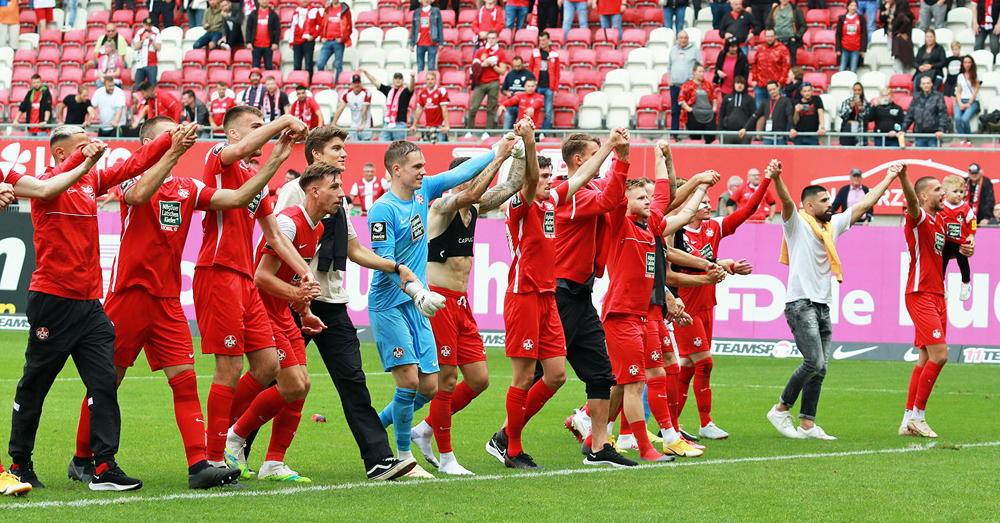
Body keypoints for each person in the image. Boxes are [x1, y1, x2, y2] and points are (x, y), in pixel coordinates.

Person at [71, 117, 292, 489]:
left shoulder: (188, 187)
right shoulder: (132, 177)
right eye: (168, 134)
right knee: (109, 380)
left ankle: (200, 466)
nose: (179, 137)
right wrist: (171, 151)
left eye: (179, 132)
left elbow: (238, 198)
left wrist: (275, 160)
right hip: (129, 295)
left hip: (168, 300)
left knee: (185, 382)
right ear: (148, 144)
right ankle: (81, 459)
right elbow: (139, 196)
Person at [7, 124, 182, 491]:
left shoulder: (89, 182)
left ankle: (104, 466)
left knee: (104, 383)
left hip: (90, 305)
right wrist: (83, 159)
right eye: (83, 145)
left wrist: (171, 138)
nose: (94, 149)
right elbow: (52, 185)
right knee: (36, 385)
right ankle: (20, 464)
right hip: (53, 301)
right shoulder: (45, 184)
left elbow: (133, 164)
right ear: (61, 153)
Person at [269, 127, 418, 481]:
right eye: (337, 148)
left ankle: (379, 460)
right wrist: (299, 292)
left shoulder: (340, 200)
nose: (345, 154)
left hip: (332, 302)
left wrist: (394, 266)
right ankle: (233, 443)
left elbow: (353, 249)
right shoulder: (294, 192)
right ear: (316, 156)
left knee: (353, 380)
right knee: (272, 380)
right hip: (297, 302)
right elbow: (277, 242)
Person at [488, 126, 635, 470]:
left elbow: (582, 174)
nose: (549, 182)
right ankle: (509, 444)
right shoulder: (523, 205)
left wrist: (613, 147)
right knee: (527, 377)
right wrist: (527, 140)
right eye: (543, 177)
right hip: (529, 293)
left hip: (556, 296)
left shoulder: (553, 201)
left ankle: (599, 448)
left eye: (551, 176)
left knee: (560, 375)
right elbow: (539, 180)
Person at [366, 142, 498, 478]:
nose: (424, 171)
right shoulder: (383, 210)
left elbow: (462, 173)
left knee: (429, 387)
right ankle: (403, 458)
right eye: (417, 166)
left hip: (421, 302)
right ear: (396, 169)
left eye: (424, 165)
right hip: (394, 302)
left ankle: (375, 427)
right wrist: (415, 289)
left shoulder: (423, 190)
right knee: (412, 381)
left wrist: (500, 148)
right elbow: (385, 263)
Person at [195, 108, 311, 480]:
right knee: (228, 367)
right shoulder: (217, 158)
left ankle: (225, 436)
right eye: (255, 127)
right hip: (218, 273)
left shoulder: (255, 180)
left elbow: (274, 235)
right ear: (232, 135)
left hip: (244, 281)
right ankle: (213, 457)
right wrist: (284, 121)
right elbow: (239, 150)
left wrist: (306, 272)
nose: (263, 133)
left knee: (267, 367)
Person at [767, 160, 901, 440]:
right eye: (824, 200)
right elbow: (787, 201)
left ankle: (807, 424)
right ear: (809, 206)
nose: (831, 203)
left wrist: (889, 177)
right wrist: (778, 179)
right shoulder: (796, 224)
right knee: (814, 362)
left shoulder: (832, 226)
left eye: (830, 199)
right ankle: (780, 409)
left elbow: (864, 205)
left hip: (822, 305)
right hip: (800, 303)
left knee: (821, 367)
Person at [408, 139, 519, 475]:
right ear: (459, 179)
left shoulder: (474, 207)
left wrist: (521, 151)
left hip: (462, 303)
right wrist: (497, 156)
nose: (476, 182)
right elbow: (472, 194)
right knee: (447, 379)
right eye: (473, 176)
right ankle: (446, 457)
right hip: (439, 301)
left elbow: (512, 186)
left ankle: (425, 428)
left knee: (479, 379)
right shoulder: (441, 207)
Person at [604, 151, 709, 462]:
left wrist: (662, 157)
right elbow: (618, 190)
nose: (648, 201)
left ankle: (611, 433)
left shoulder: (649, 224)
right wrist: (620, 155)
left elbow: (664, 193)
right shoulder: (619, 222)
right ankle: (643, 443)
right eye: (639, 197)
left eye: (646, 197)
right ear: (625, 201)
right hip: (621, 315)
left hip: (639, 315)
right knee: (633, 383)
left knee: (632, 383)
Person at [541, 131, 634, 464]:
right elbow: (611, 202)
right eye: (598, 152)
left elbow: (616, 207)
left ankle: (598, 447)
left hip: (580, 293)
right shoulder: (568, 194)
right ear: (579, 160)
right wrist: (620, 157)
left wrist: (621, 169)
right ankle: (507, 436)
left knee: (601, 375)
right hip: (561, 291)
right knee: (542, 374)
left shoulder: (589, 189)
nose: (604, 157)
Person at [671, 167, 772, 442]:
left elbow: (747, 211)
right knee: (704, 363)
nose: (706, 205)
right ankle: (704, 423)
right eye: (701, 200)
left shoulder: (714, 227)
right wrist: (716, 267)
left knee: (689, 366)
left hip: (707, 304)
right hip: (685, 306)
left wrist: (766, 181)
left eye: (707, 201)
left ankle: (672, 426)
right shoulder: (674, 230)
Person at [896, 166, 975, 438]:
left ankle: (907, 419)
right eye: (938, 190)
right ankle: (918, 416)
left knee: (925, 357)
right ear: (924, 195)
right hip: (920, 293)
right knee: (941, 355)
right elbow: (910, 200)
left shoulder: (940, 221)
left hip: (937, 293)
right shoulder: (917, 218)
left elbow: (951, 250)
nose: (944, 193)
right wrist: (903, 175)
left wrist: (966, 248)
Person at [939, 175, 976, 301]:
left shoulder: (965, 208)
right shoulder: (941, 207)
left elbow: (973, 221)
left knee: (963, 261)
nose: (959, 195)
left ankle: (966, 284)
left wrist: (971, 235)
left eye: (961, 192)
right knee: (942, 261)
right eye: (955, 192)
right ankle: (941, 283)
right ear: (944, 192)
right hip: (947, 241)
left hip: (961, 242)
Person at [468, 30, 508, 136]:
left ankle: (488, 131)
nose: (491, 40)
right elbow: (474, 66)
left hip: (493, 82)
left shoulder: (500, 53)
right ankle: (469, 130)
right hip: (480, 83)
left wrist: (492, 65)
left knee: (491, 108)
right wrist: (482, 64)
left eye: (493, 38)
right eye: (489, 38)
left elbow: (502, 71)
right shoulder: (480, 51)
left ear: (497, 39)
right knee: (473, 107)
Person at [361, 69, 416, 142]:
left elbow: (411, 87)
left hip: (400, 124)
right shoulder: (389, 90)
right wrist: (365, 72)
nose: (398, 80)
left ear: (403, 80)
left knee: (399, 148)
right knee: (382, 144)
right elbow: (375, 82)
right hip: (388, 123)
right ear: (393, 80)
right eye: (396, 78)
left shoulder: (405, 91)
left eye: (400, 78)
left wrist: (412, 77)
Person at [740, 80, 794, 145]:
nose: (772, 92)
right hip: (767, 137)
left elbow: (789, 115)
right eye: (770, 90)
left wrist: (792, 128)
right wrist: (745, 128)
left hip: (780, 137)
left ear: (778, 88)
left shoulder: (785, 101)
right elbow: (755, 116)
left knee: (781, 155)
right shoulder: (765, 102)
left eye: (773, 89)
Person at [903, 75, 949, 148]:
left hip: (934, 135)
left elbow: (943, 115)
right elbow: (910, 114)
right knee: (920, 158)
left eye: (927, 83)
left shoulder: (938, 97)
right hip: (919, 134)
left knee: (934, 157)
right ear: (920, 85)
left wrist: (941, 130)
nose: (926, 85)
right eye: (924, 84)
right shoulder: (916, 98)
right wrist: (903, 129)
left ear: (931, 84)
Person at [529, 32, 560, 131]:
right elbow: (530, 68)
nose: (541, 42)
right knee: (534, 109)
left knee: (548, 112)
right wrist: (530, 84)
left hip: (549, 87)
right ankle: (533, 131)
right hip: (536, 86)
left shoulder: (554, 54)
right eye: (540, 40)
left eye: (543, 40)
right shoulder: (535, 53)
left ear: (548, 40)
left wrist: (556, 88)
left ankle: (543, 133)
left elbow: (557, 73)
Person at [679, 64, 718, 144]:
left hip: (709, 115)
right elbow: (681, 99)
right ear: (694, 72)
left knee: (710, 139)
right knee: (695, 139)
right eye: (699, 71)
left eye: (703, 72)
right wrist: (689, 109)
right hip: (694, 115)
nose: (702, 74)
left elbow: (714, 97)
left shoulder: (708, 85)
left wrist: (714, 108)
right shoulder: (687, 85)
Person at [751, 30, 791, 107]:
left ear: (775, 36)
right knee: (759, 109)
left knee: (775, 109)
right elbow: (754, 64)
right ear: (765, 37)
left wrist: (780, 82)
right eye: (768, 36)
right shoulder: (760, 48)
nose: (770, 38)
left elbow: (786, 67)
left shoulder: (783, 49)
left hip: (775, 86)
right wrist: (754, 79)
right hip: (760, 85)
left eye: (771, 36)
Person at [669, 31, 700, 131]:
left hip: (689, 85)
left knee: (691, 109)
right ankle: (674, 134)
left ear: (688, 38)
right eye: (681, 38)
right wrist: (669, 79)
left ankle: (692, 134)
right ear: (678, 39)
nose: (683, 40)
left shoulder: (694, 49)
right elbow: (669, 67)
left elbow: (700, 65)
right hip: (675, 85)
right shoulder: (673, 50)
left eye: (685, 38)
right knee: (675, 110)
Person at [317, 0, 353, 81]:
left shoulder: (345, 9)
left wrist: (342, 39)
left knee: (338, 65)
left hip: (338, 41)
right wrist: (322, 36)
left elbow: (349, 27)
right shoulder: (327, 9)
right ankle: (323, 81)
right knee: (320, 63)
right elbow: (322, 24)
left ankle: (338, 84)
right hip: (327, 41)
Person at [411, 71, 451, 143]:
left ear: (436, 80)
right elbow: (419, 109)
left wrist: (446, 125)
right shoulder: (422, 92)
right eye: (428, 79)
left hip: (439, 127)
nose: (430, 81)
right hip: (428, 126)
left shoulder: (441, 90)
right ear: (426, 80)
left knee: (439, 148)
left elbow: (444, 108)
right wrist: (414, 125)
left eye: (432, 79)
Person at [333, 74, 374, 141]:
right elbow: (341, 108)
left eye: (358, 82)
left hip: (366, 125)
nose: (357, 85)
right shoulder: (347, 93)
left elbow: (364, 109)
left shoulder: (366, 92)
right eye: (355, 83)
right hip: (354, 125)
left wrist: (363, 124)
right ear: (351, 84)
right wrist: (334, 123)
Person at [765, 0, 806, 67]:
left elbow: (803, 25)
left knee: (792, 63)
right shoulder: (774, 10)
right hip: (777, 40)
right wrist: (772, 36)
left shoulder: (795, 9)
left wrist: (796, 37)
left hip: (791, 40)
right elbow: (768, 24)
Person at [501, 57, 537, 129]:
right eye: (515, 66)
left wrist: (522, 93)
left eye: (519, 66)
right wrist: (507, 93)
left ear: (523, 64)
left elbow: (534, 89)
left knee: (521, 128)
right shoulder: (510, 74)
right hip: (511, 103)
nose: (517, 68)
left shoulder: (529, 74)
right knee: (507, 126)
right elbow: (503, 89)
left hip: (523, 104)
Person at [719, 76, 756, 144]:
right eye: (737, 83)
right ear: (734, 84)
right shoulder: (727, 98)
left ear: (745, 85)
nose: (739, 85)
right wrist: (720, 130)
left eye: (742, 83)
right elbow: (721, 114)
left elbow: (753, 116)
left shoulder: (750, 99)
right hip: (728, 133)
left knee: (744, 154)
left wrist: (749, 130)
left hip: (745, 134)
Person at [289, 0, 321, 78]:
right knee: (296, 65)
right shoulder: (296, 11)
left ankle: (309, 84)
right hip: (297, 41)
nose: (304, 0)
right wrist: (291, 42)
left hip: (308, 42)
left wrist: (314, 36)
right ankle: (297, 83)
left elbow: (321, 25)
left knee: (308, 65)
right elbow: (293, 26)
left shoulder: (315, 10)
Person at [411, 0, 444, 72]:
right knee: (420, 67)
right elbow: (414, 29)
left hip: (432, 42)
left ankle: (429, 82)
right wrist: (412, 44)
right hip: (420, 43)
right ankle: (420, 82)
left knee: (431, 67)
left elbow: (440, 27)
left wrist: (441, 42)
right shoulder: (416, 12)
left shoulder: (436, 11)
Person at [954, 55, 981, 143]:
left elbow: (976, 90)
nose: (967, 64)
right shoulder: (960, 76)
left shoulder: (977, 74)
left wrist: (969, 102)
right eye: (965, 62)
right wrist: (960, 103)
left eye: (969, 62)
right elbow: (958, 91)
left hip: (972, 101)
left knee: (965, 119)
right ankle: (962, 138)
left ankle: (968, 138)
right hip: (961, 100)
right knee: (957, 118)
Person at [836, 0, 868, 72]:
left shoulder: (860, 18)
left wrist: (863, 49)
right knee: (842, 68)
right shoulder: (842, 19)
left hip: (856, 48)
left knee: (853, 69)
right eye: (851, 5)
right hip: (844, 47)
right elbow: (838, 34)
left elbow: (864, 34)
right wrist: (838, 49)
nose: (853, 8)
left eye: (855, 6)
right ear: (847, 7)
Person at [247, 0, 280, 70]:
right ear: (258, 1)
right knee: (255, 68)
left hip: (268, 46)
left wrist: (275, 43)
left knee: (269, 67)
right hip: (255, 46)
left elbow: (277, 29)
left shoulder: (273, 14)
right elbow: (248, 29)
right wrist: (248, 42)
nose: (264, 1)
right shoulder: (253, 14)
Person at [134, 18, 163, 88]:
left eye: (149, 25)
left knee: (152, 86)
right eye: (146, 25)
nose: (147, 27)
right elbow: (136, 47)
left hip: (152, 64)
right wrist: (142, 40)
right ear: (143, 25)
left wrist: (152, 40)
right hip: (140, 63)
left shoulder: (156, 35)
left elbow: (158, 48)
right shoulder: (139, 34)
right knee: (138, 86)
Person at [891, 0, 915, 74]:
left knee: (898, 68)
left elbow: (904, 21)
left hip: (899, 47)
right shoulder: (908, 15)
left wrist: (899, 32)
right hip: (908, 45)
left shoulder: (900, 16)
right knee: (906, 70)